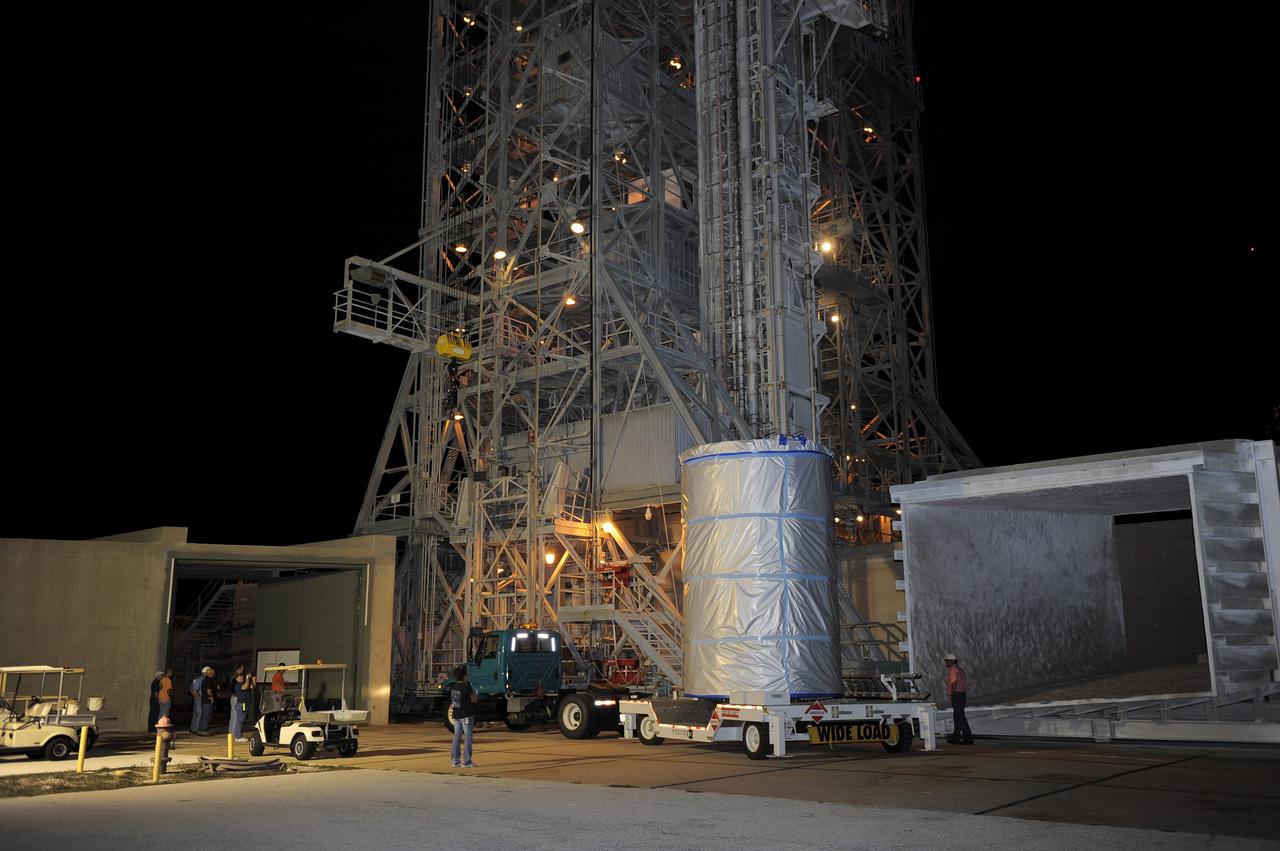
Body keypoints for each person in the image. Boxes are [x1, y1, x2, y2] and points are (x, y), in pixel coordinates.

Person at [449, 665, 477, 768]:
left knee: (457, 736)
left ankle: (455, 760)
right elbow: (474, 699)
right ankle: (466, 761)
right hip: (466, 716)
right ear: (464, 676)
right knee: (468, 737)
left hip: (456, 715)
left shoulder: (454, 687)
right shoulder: (466, 687)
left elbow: (455, 703)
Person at [944, 653, 974, 745]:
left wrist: (951, 692)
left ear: (952, 661)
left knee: (960, 717)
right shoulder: (959, 669)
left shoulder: (953, 669)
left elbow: (954, 681)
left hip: (957, 695)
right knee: (957, 717)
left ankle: (968, 738)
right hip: (961, 695)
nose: (946, 662)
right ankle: (956, 737)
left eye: (947, 661)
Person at [230, 671, 250, 742]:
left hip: (244, 704)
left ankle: (239, 735)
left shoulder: (244, 683)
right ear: (236, 678)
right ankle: (238, 736)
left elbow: (252, 687)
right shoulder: (237, 685)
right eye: (239, 676)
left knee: (242, 719)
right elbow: (245, 687)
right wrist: (247, 678)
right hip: (241, 704)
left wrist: (252, 679)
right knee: (240, 720)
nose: (242, 677)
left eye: (242, 676)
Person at [189, 667, 209, 735]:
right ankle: (197, 729)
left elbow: (191, 689)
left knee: (196, 714)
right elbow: (194, 690)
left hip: (196, 699)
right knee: (199, 714)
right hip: (199, 699)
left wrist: (194, 696)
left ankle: (193, 728)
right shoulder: (201, 679)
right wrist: (199, 697)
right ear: (205, 673)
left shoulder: (196, 679)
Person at [199, 666, 217, 734]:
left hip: (204, 700)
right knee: (207, 716)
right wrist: (212, 697)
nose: (214, 674)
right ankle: (204, 730)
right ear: (209, 673)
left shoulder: (205, 680)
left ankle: (201, 729)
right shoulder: (208, 680)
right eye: (213, 673)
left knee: (204, 715)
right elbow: (209, 690)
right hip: (207, 700)